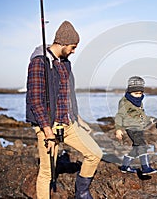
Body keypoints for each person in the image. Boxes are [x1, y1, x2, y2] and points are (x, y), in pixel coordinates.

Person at [26, 20, 103, 199]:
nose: (74, 51)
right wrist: (47, 131)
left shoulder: (65, 62)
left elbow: (67, 95)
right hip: (48, 127)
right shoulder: (39, 62)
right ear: (62, 43)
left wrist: (78, 118)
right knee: (47, 173)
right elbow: (35, 100)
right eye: (73, 46)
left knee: (95, 154)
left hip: (67, 124)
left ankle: (82, 193)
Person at [114, 76, 157, 175]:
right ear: (129, 92)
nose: (138, 95)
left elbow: (143, 116)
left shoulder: (139, 103)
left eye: (140, 93)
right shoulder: (125, 102)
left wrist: (154, 120)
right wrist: (118, 129)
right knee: (142, 145)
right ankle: (145, 167)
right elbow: (119, 115)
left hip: (139, 128)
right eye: (135, 93)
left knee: (136, 148)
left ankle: (125, 166)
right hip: (131, 128)